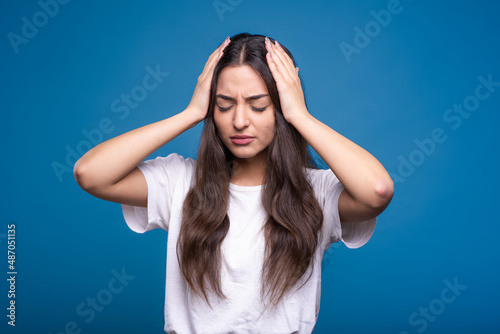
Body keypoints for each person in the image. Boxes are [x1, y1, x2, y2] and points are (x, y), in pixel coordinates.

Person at [73, 32, 394, 334]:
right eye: (224, 105)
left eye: (258, 106)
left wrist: (301, 116)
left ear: (281, 108)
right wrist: (190, 113)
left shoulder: (316, 192)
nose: (239, 121)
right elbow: (90, 173)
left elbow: (377, 191)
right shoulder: (181, 182)